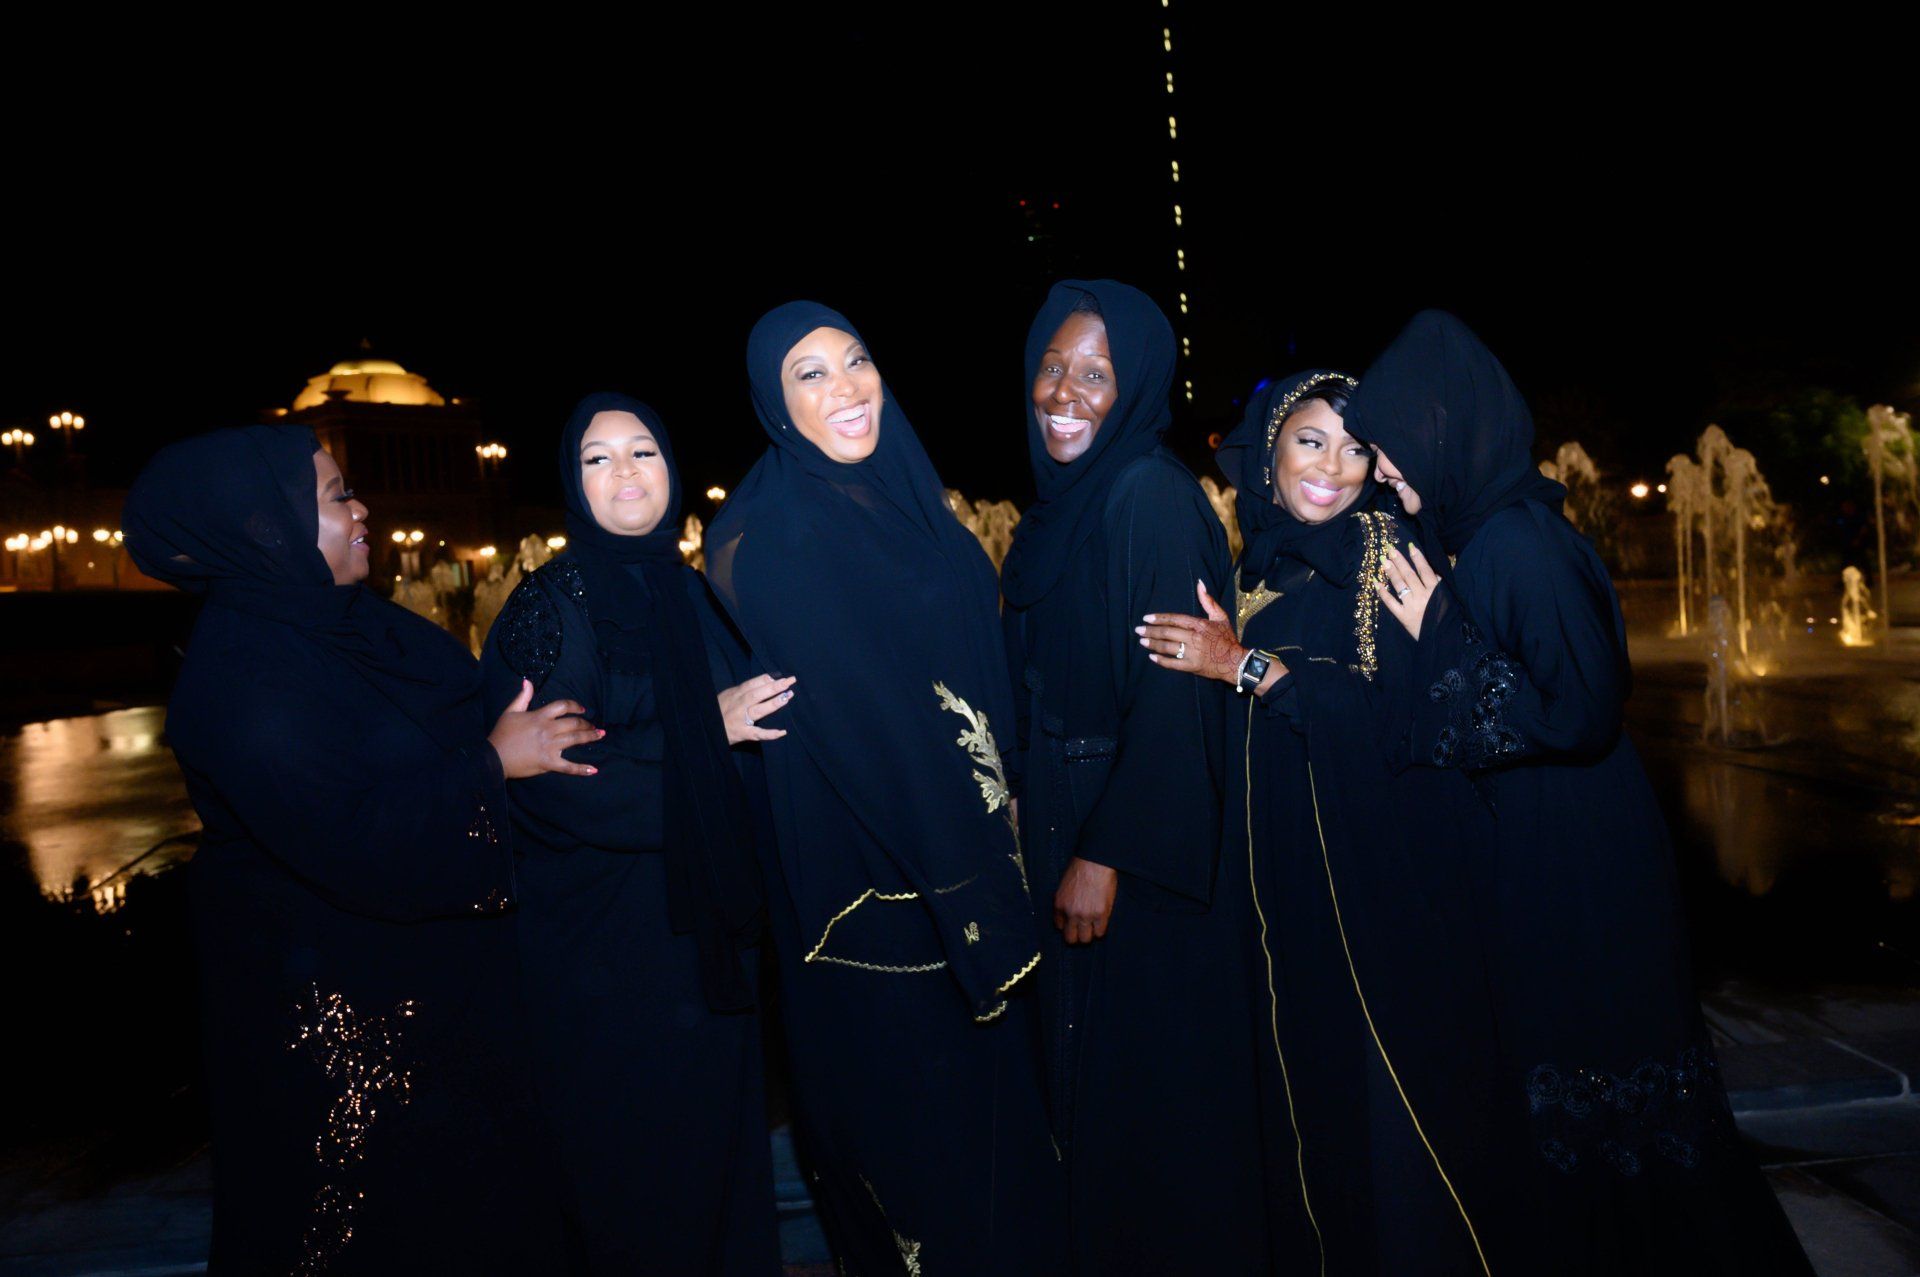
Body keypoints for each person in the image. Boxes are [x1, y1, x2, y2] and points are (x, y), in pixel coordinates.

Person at [1349, 309, 1816, 1275]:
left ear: (1444, 428)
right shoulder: (1485, 528)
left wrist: (1441, 626)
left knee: (1606, 1089)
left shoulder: (1517, 539)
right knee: (1575, 1091)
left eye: (1391, 451)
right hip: (1553, 846)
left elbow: (1584, 706)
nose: (1383, 473)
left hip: (1581, 864)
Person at [124, 425, 591, 1275]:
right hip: (339, 1037)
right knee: (368, 1226)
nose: (363, 507)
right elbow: (354, 837)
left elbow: (462, 720)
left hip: (434, 1005)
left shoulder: (360, 630)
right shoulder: (244, 679)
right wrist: (495, 762)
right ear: (266, 526)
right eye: (337, 495)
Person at [704, 302, 1064, 1275]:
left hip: (979, 857)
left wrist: (1014, 799)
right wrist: (975, 874)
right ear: (774, 406)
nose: (848, 387)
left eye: (855, 360)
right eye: (809, 374)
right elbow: (869, 732)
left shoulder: (914, 507)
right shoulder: (770, 536)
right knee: (931, 1174)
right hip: (882, 901)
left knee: (1006, 1156)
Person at [1138, 373, 1508, 1275]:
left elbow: (1405, 720)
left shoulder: (1380, 553)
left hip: (1369, 893)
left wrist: (1247, 665)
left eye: (1354, 450)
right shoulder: (1262, 558)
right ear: (1268, 449)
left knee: (1383, 1111)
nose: (1334, 470)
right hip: (1284, 882)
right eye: (1311, 441)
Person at [480, 393, 782, 1274]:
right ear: (573, 483)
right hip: (605, 948)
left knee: (720, 1161)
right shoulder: (551, 607)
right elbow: (555, 781)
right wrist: (702, 730)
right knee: (633, 1175)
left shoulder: (695, 592)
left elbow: (757, 738)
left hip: (709, 931)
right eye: (598, 459)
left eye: (643, 453)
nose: (626, 475)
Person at [999, 279, 1265, 1273]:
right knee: (1093, 1084)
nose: (1066, 391)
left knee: (1149, 1090)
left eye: (1097, 374)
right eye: (1054, 366)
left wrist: (1104, 852)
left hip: (1130, 839)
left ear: (1138, 386)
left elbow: (1177, 691)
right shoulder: (1059, 512)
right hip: (1070, 809)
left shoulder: (1147, 497)